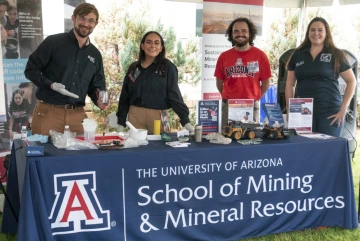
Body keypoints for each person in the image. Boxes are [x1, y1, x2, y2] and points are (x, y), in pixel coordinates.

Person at [24, 3, 107, 135]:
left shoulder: (95, 55)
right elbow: (30, 69)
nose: (86, 23)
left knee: (80, 154)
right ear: (73, 18)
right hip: (48, 113)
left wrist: (100, 100)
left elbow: (96, 86)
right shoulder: (53, 42)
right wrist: (50, 85)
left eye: (91, 20)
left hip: (77, 116)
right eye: (82, 18)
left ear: (95, 24)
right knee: (44, 154)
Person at [285, 17, 356, 137]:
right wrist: (290, 109)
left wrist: (343, 109)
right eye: (312, 30)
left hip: (330, 112)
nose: (316, 33)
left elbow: (351, 81)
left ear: (326, 33)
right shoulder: (297, 54)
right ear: (308, 33)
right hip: (303, 112)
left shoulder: (336, 53)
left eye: (320, 30)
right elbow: (290, 84)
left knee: (328, 151)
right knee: (304, 150)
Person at [116, 31, 194, 134]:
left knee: (159, 148)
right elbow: (125, 96)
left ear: (161, 47)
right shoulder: (134, 68)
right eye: (149, 42)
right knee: (136, 148)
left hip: (159, 116)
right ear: (142, 46)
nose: (153, 45)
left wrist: (186, 121)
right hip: (135, 116)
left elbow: (174, 95)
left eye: (157, 43)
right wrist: (121, 123)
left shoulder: (168, 67)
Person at [214, 17, 271, 128]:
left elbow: (266, 84)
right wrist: (229, 98)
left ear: (250, 33)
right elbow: (219, 83)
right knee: (228, 139)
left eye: (244, 31)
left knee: (251, 141)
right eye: (236, 31)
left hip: (250, 106)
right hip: (229, 107)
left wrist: (255, 98)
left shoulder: (260, 56)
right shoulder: (224, 57)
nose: (240, 34)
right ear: (231, 34)